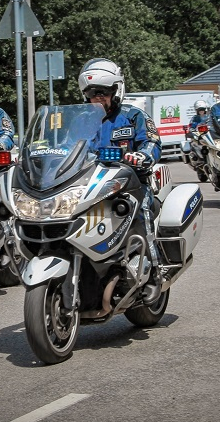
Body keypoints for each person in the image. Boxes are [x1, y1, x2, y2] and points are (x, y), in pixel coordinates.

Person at [78, 58, 163, 306]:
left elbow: (152, 142)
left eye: (102, 93)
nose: (97, 98)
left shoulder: (134, 116)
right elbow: (63, 145)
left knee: (141, 212)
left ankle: (154, 274)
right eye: (92, 94)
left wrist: (144, 155)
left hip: (131, 185)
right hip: (89, 186)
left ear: (116, 91)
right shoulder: (81, 120)